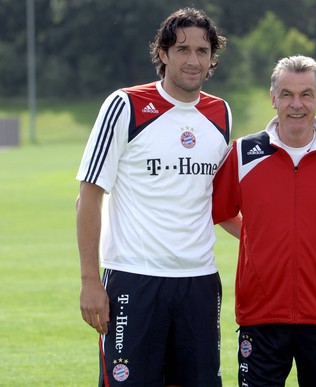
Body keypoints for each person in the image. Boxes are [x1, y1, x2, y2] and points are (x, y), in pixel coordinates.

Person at [76, 8, 231, 386]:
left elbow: (215, 203)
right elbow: (89, 197)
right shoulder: (124, 105)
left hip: (199, 282)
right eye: (181, 49)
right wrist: (90, 281)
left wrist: (272, 236)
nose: (193, 60)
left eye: (202, 50)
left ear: (212, 58)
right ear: (162, 54)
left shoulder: (221, 114)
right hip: (134, 279)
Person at [212, 55, 316, 387]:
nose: (296, 104)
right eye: (287, 94)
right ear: (273, 98)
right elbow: (216, 211)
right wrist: (256, 234)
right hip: (261, 316)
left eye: (306, 94)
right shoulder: (244, 154)